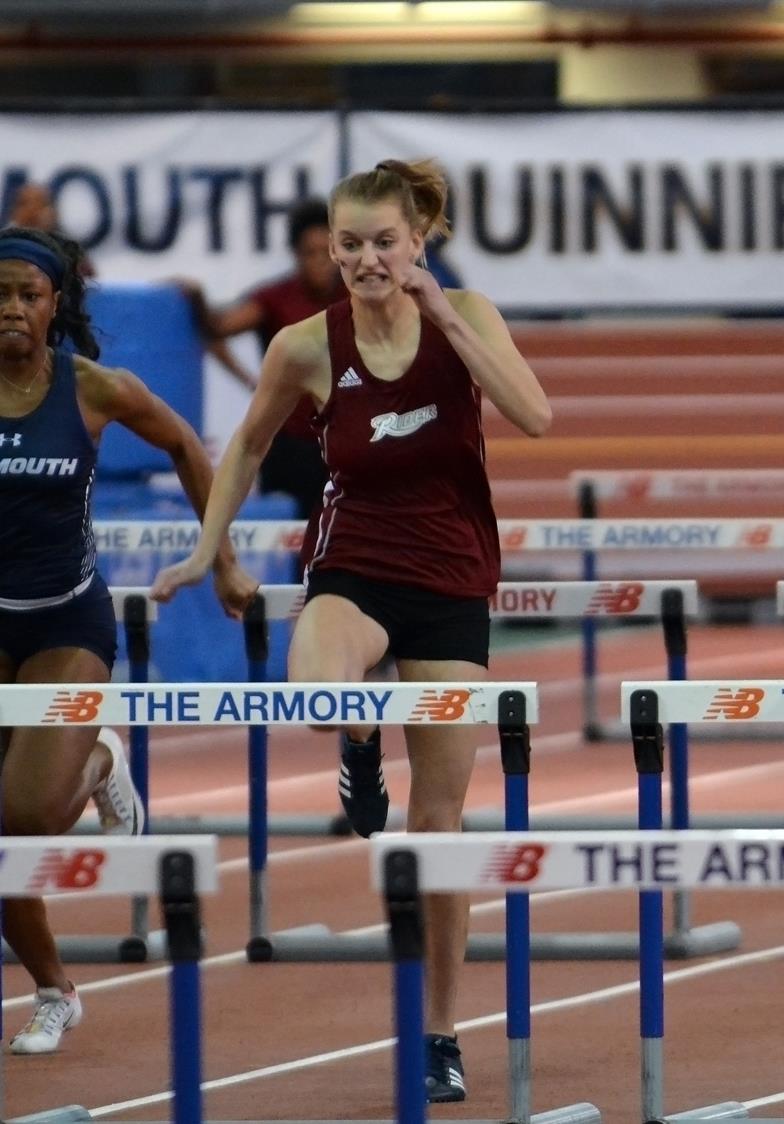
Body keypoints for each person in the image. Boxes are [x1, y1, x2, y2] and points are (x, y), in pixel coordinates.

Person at [149, 159, 551, 1102]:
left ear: (419, 242)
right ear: (331, 250)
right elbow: (245, 443)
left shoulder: (472, 318)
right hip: (353, 565)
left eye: (385, 242)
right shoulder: (306, 343)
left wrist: (448, 316)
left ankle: (440, 1033)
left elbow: (535, 416)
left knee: (438, 826)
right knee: (318, 687)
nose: (368, 260)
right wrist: (211, 551)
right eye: (351, 245)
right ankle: (359, 746)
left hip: (452, 580)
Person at [0, 225, 255, 1054]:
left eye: (27, 296)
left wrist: (218, 558)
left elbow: (186, 444)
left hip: (65, 622)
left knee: (29, 814)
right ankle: (53, 991)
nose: (11, 310)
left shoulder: (94, 389)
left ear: (54, 306)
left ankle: (100, 757)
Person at [177, 198, 343, 527]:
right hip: (286, 444)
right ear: (296, 255)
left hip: (343, 442)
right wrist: (196, 298)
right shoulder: (275, 298)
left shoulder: (358, 298)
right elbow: (217, 329)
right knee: (286, 539)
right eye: (310, 253)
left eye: (328, 253)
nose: (320, 263)